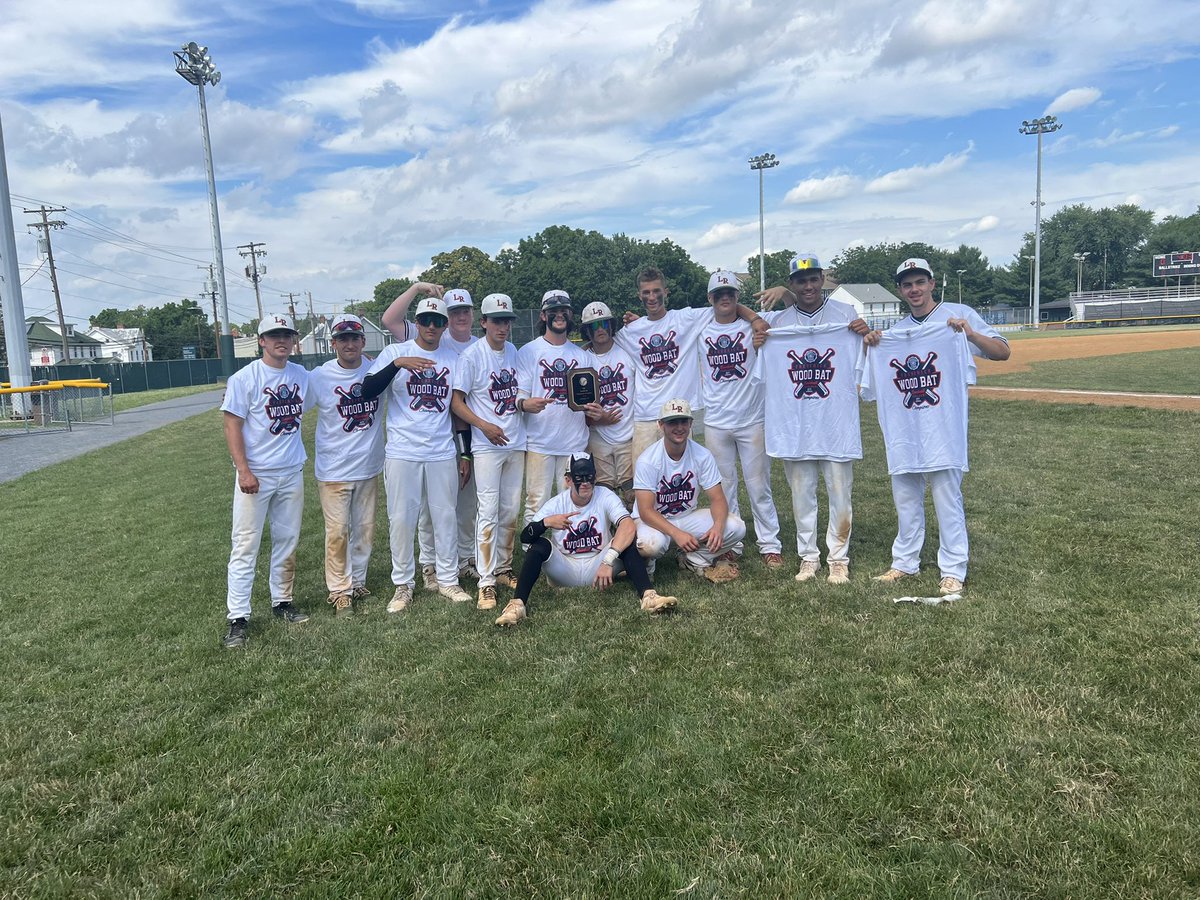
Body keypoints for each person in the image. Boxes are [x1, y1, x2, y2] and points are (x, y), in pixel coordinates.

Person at [865, 257, 1011, 594]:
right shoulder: (895, 333)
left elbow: (1003, 352)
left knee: (947, 498)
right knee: (905, 498)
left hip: (943, 429)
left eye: (919, 282)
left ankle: (953, 569)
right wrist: (872, 344)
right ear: (900, 291)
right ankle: (904, 562)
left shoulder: (957, 316)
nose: (914, 289)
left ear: (931, 283)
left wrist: (970, 334)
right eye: (907, 284)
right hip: (904, 431)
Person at [755, 253, 871, 583]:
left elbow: (866, 357)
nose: (808, 286)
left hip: (836, 423)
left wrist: (863, 335)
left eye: (813, 279)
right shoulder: (778, 324)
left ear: (821, 280)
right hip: (796, 427)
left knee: (840, 494)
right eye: (800, 281)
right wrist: (759, 342)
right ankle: (808, 557)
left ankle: (838, 558)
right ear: (792, 284)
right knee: (801, 494)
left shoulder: (846, 316)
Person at [362, 297, 473, 611]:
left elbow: (457, 408)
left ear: (445, 325)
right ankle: (403, 585)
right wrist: (398, 365)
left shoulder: (453, 358)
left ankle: (448, 580)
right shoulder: (396, 352)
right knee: (402, 519)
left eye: (438, 322)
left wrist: (464, 454)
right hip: (402, 450)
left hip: (440, 450)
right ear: (418, 322)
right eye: (426, 320)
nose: (432, 327)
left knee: (444, 516)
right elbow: (367, 390)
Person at [493, 453, 678, 627]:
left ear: (595, 477)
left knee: (626, 539)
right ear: (568, 480)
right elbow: (525, 537)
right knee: (539, 545)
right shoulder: (557, 503)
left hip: (598, 565)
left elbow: (628, 525)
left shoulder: (604, 495)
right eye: (579, 478)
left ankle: (648, 596)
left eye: (589, 477)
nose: (585, 483)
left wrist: (608, 560)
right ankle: (517, 605)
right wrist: (546, 522)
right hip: (564, 569)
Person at [220, 312, 310, 649]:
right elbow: (231, 424)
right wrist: (243, 470)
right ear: (261, 341)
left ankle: (282, 602)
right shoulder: (245, 378)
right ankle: (238, 617)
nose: (281, 340)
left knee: (287, 541)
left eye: (286, 335)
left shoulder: (301, 375)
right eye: (274, 335)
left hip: (290, 470)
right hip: (256, 474)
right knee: (245, 545)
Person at [616, 267, 769, 462]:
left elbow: (725, 304)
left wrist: (755, 319)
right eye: (646, 292)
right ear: (639, 296)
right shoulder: (632, 330)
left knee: (680, 480)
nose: (652, 297)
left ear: (666, 292)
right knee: (644, 482)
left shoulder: (686, 319)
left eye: (656, 291)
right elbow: (604, 344)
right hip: (645, 416)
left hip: (678, 414)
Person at [451, 293, 542, 610]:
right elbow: (456, 402)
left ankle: (502, 569)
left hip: (515, 441)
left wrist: (524, 405)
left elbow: (515, 394)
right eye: (497, 321)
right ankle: (485, 581)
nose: (503, 327)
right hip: (488, 445)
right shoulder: (473, 355)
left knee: (508, 512)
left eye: (507, 321)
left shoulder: (514, 351)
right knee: (487, 513)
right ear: (484, 322)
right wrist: (483, 425)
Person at [698, 270, 783, 569]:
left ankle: (770, 544)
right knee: (724, 488)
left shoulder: (753, 323)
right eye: (719, 295)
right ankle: (732, 543)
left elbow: (783, 315)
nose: (725, 299)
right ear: (710, 299)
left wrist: (758, 316)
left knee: (759, 486)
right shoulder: (701, 327)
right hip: (717, 421)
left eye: (730, 294)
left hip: (751, 418)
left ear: (737, 298)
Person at [307, 313, 385, 617]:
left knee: (365, 529)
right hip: (333, 469)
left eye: (354, 338)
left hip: (367, 465)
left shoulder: (375, 369)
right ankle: (340, 591)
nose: (349, 344)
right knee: (338, 531)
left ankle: (359, 580)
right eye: (342, 339)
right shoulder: (319, 377)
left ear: (363, 341)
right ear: (333, 344)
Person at [633, 398, 746, 583]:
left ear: (691, 423)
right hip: (652, 521)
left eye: (683, 421)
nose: (679, 427)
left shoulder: (702, 455)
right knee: (651, 546)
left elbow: (718, 499)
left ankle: (693, 559)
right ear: (661, 425)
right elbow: (645, 511)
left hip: (685, 516)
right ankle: (647, 565)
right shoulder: (648, 460)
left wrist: (717, 527)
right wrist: (676, 534)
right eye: (672, 422)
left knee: (736, 527)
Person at [516, 289, 602, 527]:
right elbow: (520, 397)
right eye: (553, 311)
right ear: (543, 316)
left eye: (563, 310)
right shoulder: (529, 351)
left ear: (570, 314)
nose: (559, 315)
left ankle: (569, 550)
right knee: (537, 501)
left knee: (571, 500)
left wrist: (594, 410)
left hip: (573, 440)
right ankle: (532, 552)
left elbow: (592, 400)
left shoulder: (582, 356)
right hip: (539, 440)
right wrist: (526, 404)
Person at [415, 288, 480, 590]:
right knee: (433, 507)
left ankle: (466, 558)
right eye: (454, 312)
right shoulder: (438, 342)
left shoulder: (479, 346)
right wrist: (418, 289)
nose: (461, 316)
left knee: (467, 504)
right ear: (445, 319)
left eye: (465, 310)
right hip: (437, 439)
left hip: (469, 437)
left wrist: (465, 451)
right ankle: (430, 563)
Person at [580, 301, 635, 504]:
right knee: (603, 490)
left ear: (611, 325)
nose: (600, 329)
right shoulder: (582, 358)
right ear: (587, 330)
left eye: (604, 323)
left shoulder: (627, 350)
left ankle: (633, 534)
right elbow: (577, 403)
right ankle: (608, 533)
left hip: (629, 432)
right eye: (594, 325)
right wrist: (597, 418)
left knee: (632, 491)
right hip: (598, 435)